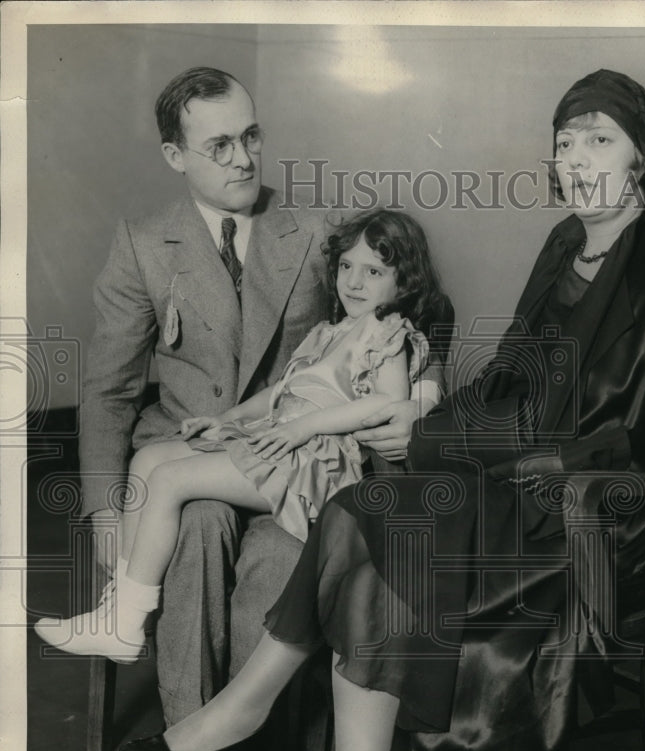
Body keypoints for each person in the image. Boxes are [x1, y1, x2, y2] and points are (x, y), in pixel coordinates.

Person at [118, 69, 645, 751]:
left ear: (641, 155)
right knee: (362, 516)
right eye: (564, 141)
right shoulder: (563, 245)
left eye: (598, 138)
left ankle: (247, 728)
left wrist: (539, 459)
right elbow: (510, 384)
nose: (576, 157)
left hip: (590, 531)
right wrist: (431, 429)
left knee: (364, 540)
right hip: (504, 499)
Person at [68, 67, 448, 751]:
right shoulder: (144, 247)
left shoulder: (314, 233)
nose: (242, 159)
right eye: (218, 145)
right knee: (198, 526)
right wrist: (109, 515)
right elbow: (106, 393)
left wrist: (422, 400)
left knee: (281, 554)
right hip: (187, 448)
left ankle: (251, 750)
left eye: (250, 136)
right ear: (176, 156)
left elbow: (414, 317)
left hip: (297, 463)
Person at [36, 209, 449, 663]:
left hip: (312, 460)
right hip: (281, 438)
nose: (353, 282)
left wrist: (303, 427)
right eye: (347, 267)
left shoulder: (388, 333)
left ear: (404, 282)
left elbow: (386, 402)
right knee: (149, 460)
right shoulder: (332, 332)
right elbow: (281, 390)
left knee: (170, 480)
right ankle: (119, 609)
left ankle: (127, 622)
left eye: (373, 272)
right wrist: (228, 420)